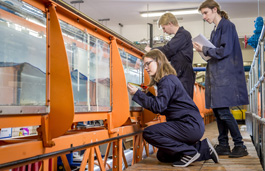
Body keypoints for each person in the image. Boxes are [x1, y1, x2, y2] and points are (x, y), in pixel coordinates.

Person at [127, 49, 219, 167]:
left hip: (189, 125)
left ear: (158, 61)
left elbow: (159, 107)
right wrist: (146, 94)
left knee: (149, 132)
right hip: (190, 125)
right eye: (144, 65)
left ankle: (190, 152)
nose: (146, 67)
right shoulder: (167, 80)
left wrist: (137, 94)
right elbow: (164, 106)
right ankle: (204, 149)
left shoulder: (167, 81)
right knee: (163, 156)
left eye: (148, 63)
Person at [193, 0, 249, 158]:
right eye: (202, 14)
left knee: (224, 111)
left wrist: (204, 48)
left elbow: (224, 51)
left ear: (214, 9)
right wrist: (202, 51)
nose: (204, 17)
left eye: (206, 13)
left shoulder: (227, 26)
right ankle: (223, 144)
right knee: (218, 111)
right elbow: (213, 53)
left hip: (225, 76)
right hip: (216, 75)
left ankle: (240, 145)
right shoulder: (214, 31)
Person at [145, 13, 195, 99]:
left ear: (170, 23)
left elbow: (168, 49)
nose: (164, 31)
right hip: (180, 75)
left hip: (184, 76)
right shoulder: (178, 37)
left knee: (183, 104)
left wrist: (152, 50)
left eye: (164, 28)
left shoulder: (183, 34)